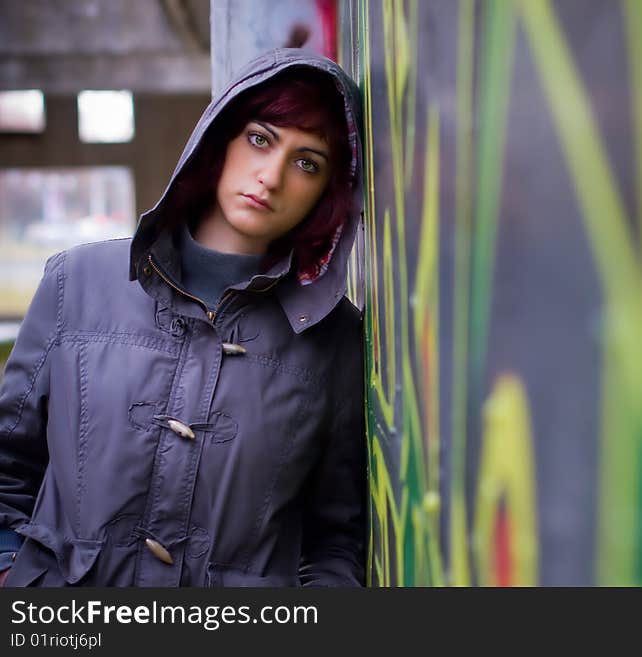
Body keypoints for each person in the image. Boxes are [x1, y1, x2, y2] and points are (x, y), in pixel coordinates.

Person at [0, 48, 367, 587]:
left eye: (307, 162)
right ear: (219, 138)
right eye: (261, 139)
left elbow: (337, 539)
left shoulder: (333, 339)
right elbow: (8, 465)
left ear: (327, 192)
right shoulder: (76, 281)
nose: (271, 176)